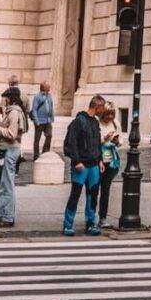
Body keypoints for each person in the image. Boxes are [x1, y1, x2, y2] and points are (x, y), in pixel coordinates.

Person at [63, 95, 104, 235]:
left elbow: (97, 143)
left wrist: (100, 160)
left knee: (93, 195)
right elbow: (71, 142)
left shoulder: (95, 122)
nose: (102, 110)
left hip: (94, 165)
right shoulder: (79, 121)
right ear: (96, 106)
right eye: (102, 107)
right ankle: (67, 224)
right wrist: (76, 161)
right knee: (75, 194)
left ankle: (91, 223)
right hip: (82, 165)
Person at [0, 86, 29, 229]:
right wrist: (0, 120)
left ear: (10, 98)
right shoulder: (15, 111)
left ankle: (7, 217)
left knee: (7, 184)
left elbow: (12, 134)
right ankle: (4, 214)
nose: (3, 101)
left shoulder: (14, 112)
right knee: (5, 183)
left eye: (5, 98)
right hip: (11, 149)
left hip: (9, 149)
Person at [94, 95, 121, 226]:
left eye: (112, 114)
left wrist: (117, 141)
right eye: (107, 114)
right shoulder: (97, 124)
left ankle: (102, 218)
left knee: (106, 191)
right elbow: (94, 142)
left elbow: (120, 142)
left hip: (111, 161)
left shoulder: (115, 124)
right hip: (99, 160)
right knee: (94, 190)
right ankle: (91, 217)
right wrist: (104, 139)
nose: (110, 117)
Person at [30, 82, 55, 158]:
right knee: (37, 139)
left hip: (48, 120)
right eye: (48, 86)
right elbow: (34, 110)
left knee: (49, 136)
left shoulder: (49, 95)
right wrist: (36, 121)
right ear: (44, 87)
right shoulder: (37, 96)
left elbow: (51, 106)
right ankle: (36, 155)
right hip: (39, 121)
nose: (50, 87)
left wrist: (52, 117)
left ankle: (45, 152)